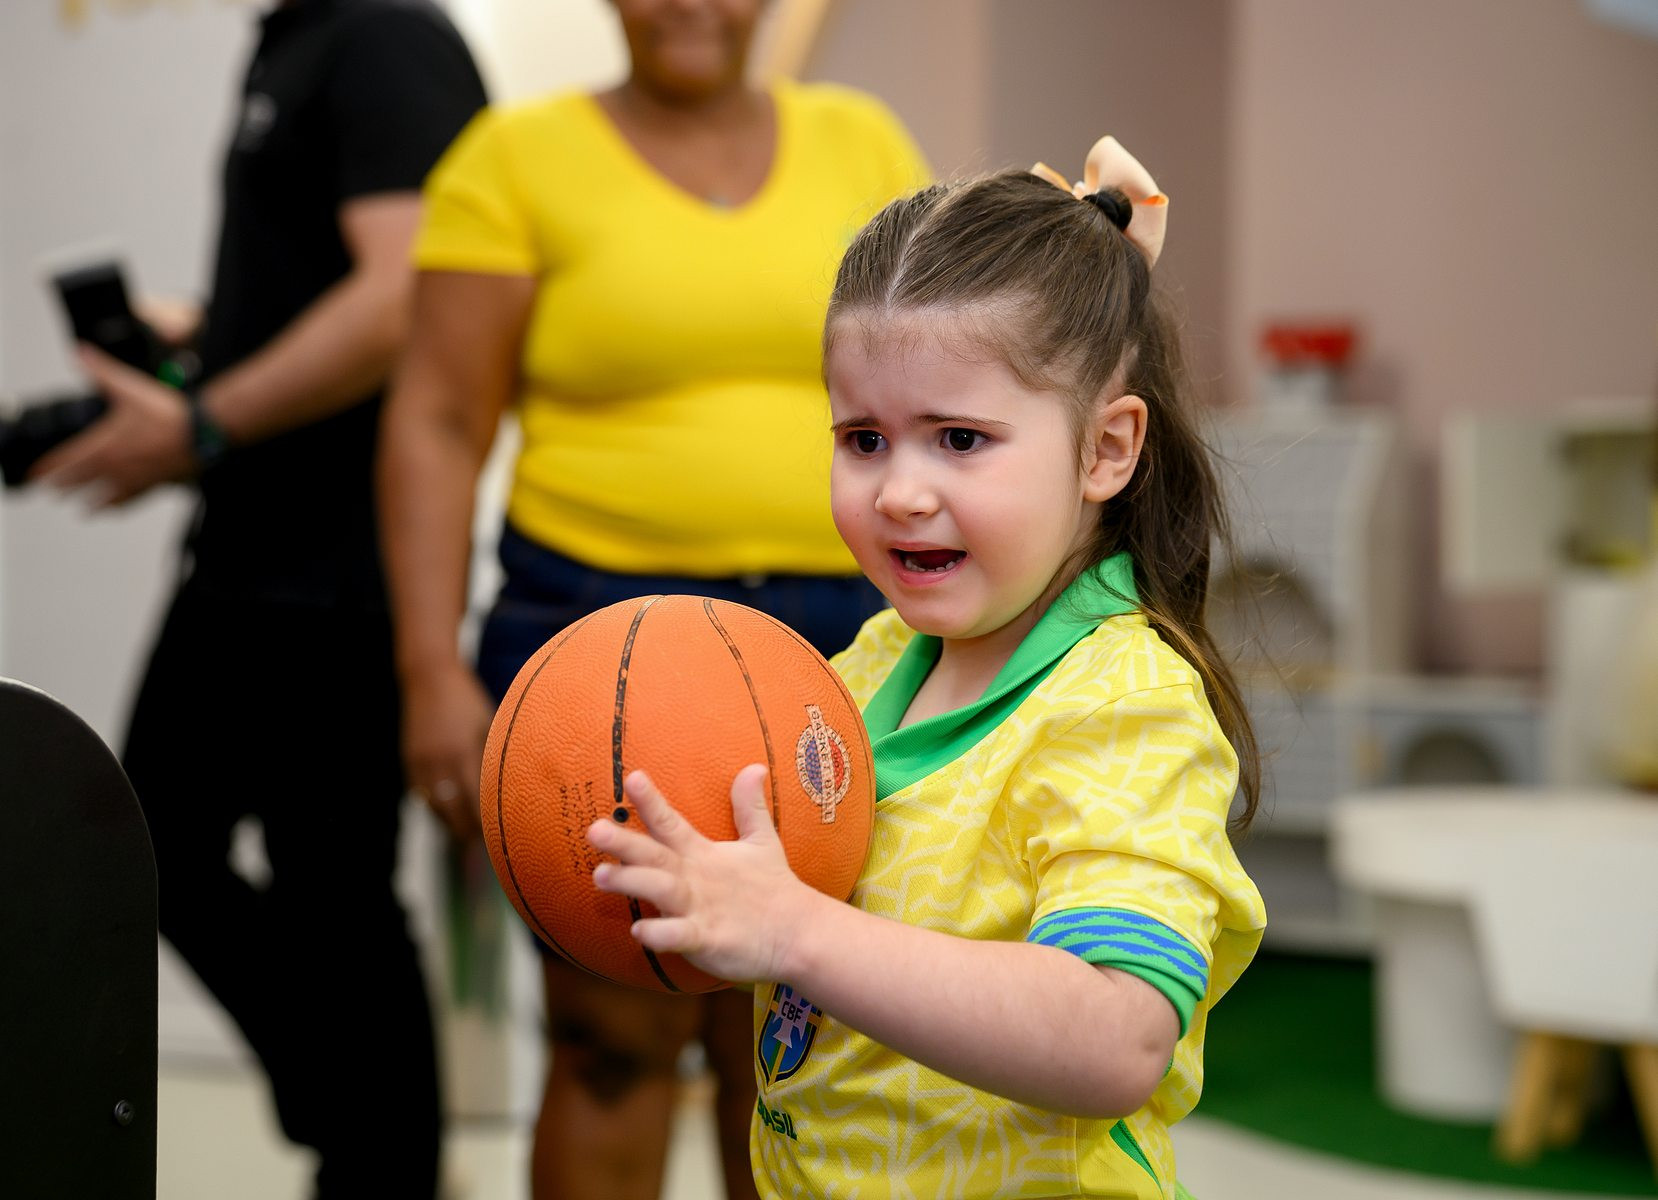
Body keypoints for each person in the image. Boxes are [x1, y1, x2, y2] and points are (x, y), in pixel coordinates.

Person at [587, 136, 1268, 1200]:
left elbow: (1115, 1036)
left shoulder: (1125, 705)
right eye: (863, 439)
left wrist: (794, 930)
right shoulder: (868, 665)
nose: (900, 492)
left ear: (1105, 450)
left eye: (957, 439)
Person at [377, 1, 927, 1196]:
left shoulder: (862, 141)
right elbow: (437, 419)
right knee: (612, 1039)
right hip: (593, 640)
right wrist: (428, 667)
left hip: (838, 640)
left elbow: (948, 381)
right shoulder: (514, 159)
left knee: (791, 1042)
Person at [32, 2, 488, 1194]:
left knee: (316, 887)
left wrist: (201, 424)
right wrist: (207, 337)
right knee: (172, 843)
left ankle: (371, 1147)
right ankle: (360, 1126)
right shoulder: (294, 38)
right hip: (253, 549)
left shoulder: (384, 36)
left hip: (339, 561)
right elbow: (325, 283)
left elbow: (402, 297)